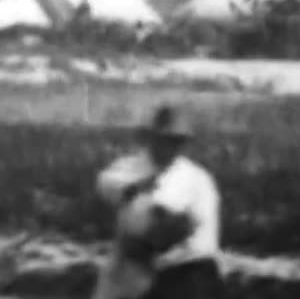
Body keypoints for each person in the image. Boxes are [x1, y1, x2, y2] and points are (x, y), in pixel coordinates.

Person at [93, 105, 222, 299]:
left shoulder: (195, 178)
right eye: (166, 140)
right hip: (142, 267)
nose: (172, 147)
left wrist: (145, 240)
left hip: (190, 269)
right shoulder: (130, 167)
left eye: (178, 141)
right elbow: (106, 184)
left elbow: (176, 230)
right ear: (150, 139)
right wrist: (134, 190)